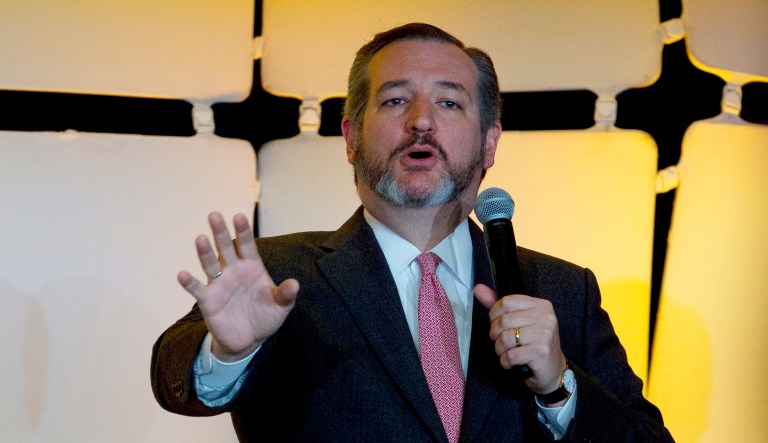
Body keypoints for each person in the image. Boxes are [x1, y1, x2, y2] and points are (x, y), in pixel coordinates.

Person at [151, 23, 673, 442]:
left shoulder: (561, 291)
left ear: (489, 143)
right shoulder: (277, 279)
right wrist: (227, 355)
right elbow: (175, 376)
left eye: (449, 103)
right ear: (351, 137)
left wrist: (560, 387)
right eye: (396, 101)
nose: (421, 122)